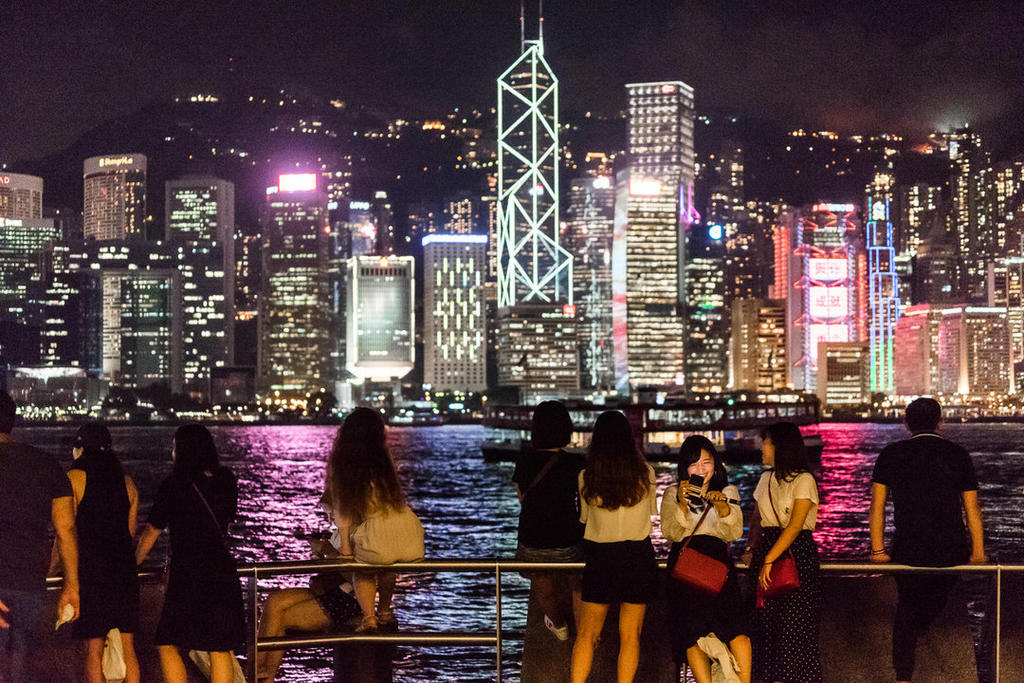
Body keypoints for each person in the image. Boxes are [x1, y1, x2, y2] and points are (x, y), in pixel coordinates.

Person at [869, 397, 987, 683]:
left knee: (908, 605)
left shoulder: (891, 454)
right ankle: (909, 658)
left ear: (906, 423)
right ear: (940, 422)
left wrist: (877, 550)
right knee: (933, 599)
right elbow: (971, 508)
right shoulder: (958, 454)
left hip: (909, 545)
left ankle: (903, 676)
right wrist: (978, 552)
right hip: (952, 547)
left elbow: (877, 506)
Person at [135, 424, 246, 683]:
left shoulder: (174, 485)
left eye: (174, 447)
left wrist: (133, 564)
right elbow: (226, 519)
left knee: (168, 640)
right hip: (222, 569)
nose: (172, 453)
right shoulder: (226, 481)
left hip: (189, 572)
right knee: (219, 647)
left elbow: (152, 531)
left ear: (183, 451)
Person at [571, 411, 658, 683]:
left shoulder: (586, 476)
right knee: (631, 636)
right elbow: (651, 514)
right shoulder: (646, 474)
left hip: (601, 557)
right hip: (637, 556)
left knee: (587, 634)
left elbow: (584, 520)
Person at [0, 390, 79, 683]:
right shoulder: (46, 464)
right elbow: (66, 529)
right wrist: (71, 585)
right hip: (31, 581)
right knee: (22, 663)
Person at [324, 407, 424, 633]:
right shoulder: (384, 458)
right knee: (387, 565)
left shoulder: (345, 461)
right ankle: (386, 610)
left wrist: (346, 550)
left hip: (376, 533)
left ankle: (369, 618)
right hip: (405, 530)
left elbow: (343, 509)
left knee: (363, 568)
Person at [660, 435, 750, 683]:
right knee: (692, 636)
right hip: (684, 569)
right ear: (684, 468)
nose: (700, 470)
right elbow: (671, 533)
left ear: (716, 464)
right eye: (693, 464)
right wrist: (681, 504)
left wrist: (723, 509)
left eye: (706, 463)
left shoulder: (727, 491)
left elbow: (733, 533)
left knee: (738, 631)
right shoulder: (672, 492)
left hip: (718, 568)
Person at [746, 421, 821, 683]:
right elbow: (757, 520)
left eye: (765, 441)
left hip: (795, 555)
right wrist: (751, 547)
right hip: (769, 550)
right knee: (766, 629)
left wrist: (768, 558)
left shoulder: (804, 480)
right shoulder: (765, 478)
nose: (761, 446)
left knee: (793, 630)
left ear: (779, 445)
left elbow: (796, 525)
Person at [66, 424, 140, 683]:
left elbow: (67, 529)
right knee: (129, 647)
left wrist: (55, 567)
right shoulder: (127, 481)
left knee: (93, 650)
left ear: (80, 447)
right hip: (124, 571)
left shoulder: (75, 476)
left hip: (93, 571)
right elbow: (130, 532)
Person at [254, 521, 362, 681]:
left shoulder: (358, 530)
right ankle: (259, 667)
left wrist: (325, 549)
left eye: (334, 512)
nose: (331, 517)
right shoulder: (342, 528)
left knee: (283, 619)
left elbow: (353, 572)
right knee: (274, 600)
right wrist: (319, 554)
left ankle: (261, 674)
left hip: (350, 597)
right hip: (332, 588)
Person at [512, 400, 584, 641]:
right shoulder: (576, 463)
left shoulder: (523, 460)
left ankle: (560, 627)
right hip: (568, 538)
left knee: (541, 582)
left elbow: (522, 498)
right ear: (566, 428)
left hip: (533, 538)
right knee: (577, 583)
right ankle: (586, 633)